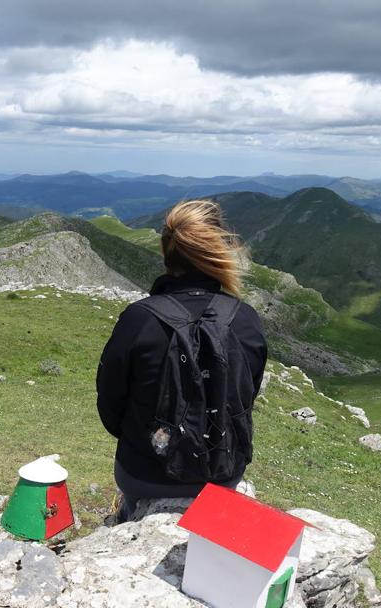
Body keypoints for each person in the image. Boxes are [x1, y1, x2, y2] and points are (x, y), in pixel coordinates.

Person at [96, 199, 267, 522]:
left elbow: (110, 405)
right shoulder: (244, 320)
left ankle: (129, 527)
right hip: (222, 473)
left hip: (144, 474)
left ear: (165, 252)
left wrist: (146, 442)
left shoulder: (138, 319)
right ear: (218, 251)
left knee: (131, 517)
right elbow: (246, 395)